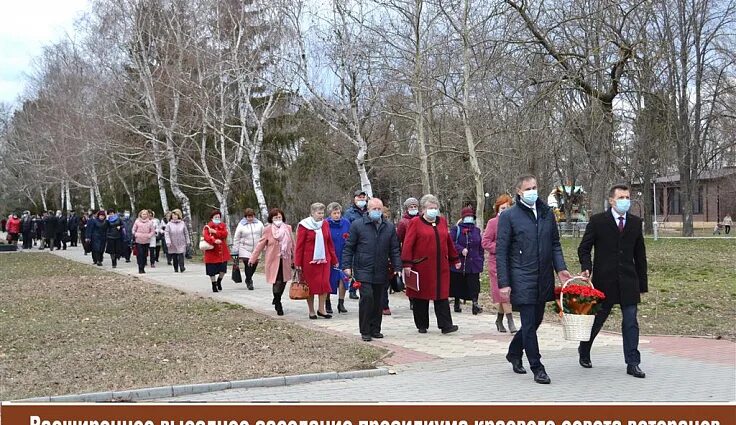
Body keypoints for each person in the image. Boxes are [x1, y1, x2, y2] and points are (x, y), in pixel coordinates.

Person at [496, 175, 571, 384]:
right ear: (519, 192)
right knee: (529, 322)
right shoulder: (509, 216)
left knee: (535, 321)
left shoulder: (547, 213)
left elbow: (555, 244)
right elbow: (501, 252)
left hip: (543, 276)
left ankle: (513, 352)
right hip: (521, 276)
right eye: (528, 188)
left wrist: (561, 269)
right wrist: (504, 283)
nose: (532, 191)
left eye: (535, 187)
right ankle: (537, 367)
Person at [577, 184, 648, 379]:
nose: (626, 201)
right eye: (621, 197)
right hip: (604, 281)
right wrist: (586, 267)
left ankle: (633, 362)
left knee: (630, 322)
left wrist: (642, 283)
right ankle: (584, 348)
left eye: (627, 197)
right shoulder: (598, 221)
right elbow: (584, 248)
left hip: (628, 281)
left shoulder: (635, 223)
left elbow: (640, 255)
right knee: (598, 319)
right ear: (611, 201)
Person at [342, 198, 402, 341]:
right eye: (374, 209)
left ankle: (376, 328)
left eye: (379, 209)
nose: (377, 212)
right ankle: (365, 330)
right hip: (363, 269)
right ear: (368, 210)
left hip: (381, 269)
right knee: (367, 298)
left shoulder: (388, 227)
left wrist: (397, 267)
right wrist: (346, 266)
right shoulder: (358, 225)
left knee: (379, 300)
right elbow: (349, 247)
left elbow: (394, 249)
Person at [401, 194, 462, 335]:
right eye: (430, 208)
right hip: (422, 266)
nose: (433, 210)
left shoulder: (442, 222)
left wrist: (455, 259)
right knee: (421, 297)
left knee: (441, 295)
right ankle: (422, 324)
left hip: (441, 266)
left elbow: (448, 242)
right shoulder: (415, 223)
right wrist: (407, 263)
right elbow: (408, 244)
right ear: (423, 209)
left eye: (435, 208)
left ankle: (446, 325)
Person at [294, 202, 339, 319]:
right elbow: (299, 246)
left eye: (322, 213)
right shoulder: (304, 225)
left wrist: (334, 259)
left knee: (324, 284)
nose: (321, 215)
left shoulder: (325, 224)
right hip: (309, 261)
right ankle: (311, 311)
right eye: (319, 213)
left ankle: (321, 309)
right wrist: (297, 263)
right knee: (310, 286)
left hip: (324, 260)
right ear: (312, 213)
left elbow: (329, 243)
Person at [482, 194, 517, 333]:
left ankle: (499, 319)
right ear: (498, 208)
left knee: (507, 293)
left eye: (508, 207)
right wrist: (500, 248)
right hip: (496, 263)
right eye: (503, 207)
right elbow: (485, 242)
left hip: (511, 263)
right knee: (503, 294)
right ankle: (510, 321)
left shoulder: (513, 222)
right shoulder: (492, 223)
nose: (505, 210)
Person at [249, 208, 294, 316]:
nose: (278, 219)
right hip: (273, 260)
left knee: (284, 281)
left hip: (285, 259)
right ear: (271, 219)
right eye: (275, 217)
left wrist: (295, 260)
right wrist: (253, 258)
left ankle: (276, 297)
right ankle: (278, 303)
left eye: (279, 217)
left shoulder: (288, 228)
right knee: (277, 281)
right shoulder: (268, 229)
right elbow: (260, 244)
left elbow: (293, 245)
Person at [449, 206, 485, 315]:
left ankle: (475, 304)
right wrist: (460, 250)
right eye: (467, 216)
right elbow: (450, 243)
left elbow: (480, 246)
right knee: (458, 283)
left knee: (474, 284)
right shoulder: (456, 229)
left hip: (474, 262)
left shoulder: (476, 230)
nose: (469, 218)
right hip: (460, 262)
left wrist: (481, 259)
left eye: (471, 216)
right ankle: (456, 301)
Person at [326, 202, 351, 314]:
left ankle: (341, 302)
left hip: (343, 254)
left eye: (338, 213)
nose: (337, 215)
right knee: (328, 279)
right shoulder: (325, 223)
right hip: (330, 255)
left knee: (344, 278)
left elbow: (350, 237)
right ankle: (327, 302)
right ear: (330, 213)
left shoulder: (346, 223)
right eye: (334, 213)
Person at [344, 189, 369, 300]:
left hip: (367, 242)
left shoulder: (369, 210)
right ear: (354, 199)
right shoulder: (349, 213)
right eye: (359, 197)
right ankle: (353, 289)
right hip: (354, 242)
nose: (361, 199)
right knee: (355, 265)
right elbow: (346, 228)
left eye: (363, 197)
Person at [232, 208, 264, 290]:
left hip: (257, 248)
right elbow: (236, 238)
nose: (250, 218)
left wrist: (264, 246)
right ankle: (249, 281)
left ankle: (248, 277)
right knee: (248, 264)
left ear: (254, 216)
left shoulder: (259, 224)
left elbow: (264, 235)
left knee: (254, 265)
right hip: (244, 248)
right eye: (248, 217)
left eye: (251, 216)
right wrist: (235, 250)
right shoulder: (241, 225)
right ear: (245, 217)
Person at [203, 210, 230, 292]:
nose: (217, 218)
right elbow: (206, 236)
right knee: (212, 270)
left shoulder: (223, 225)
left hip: (222, 250)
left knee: (223, 269)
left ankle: (219, 281)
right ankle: (213, 284)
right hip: (212, 251)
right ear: (212, 218)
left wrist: (215, 232)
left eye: (218, 217)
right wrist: (214, 240)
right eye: (216, 217)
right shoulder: (207, 227)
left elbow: (225, 234)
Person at [164, 209, 190, 273]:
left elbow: (186, 233)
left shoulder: (182, 223)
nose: (175, 216)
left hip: (181, 241)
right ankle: (175, 267)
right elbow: (166, 233)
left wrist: (188, 240)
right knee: (175, 256)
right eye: (173, 215)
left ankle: (182, 267)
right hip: (172, 242)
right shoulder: (169, 224)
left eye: (176, 215)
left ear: (179, 216)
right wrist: (168, 241)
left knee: (181, 254)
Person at [132, 209, 156, 274]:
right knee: (140, 254)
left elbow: (152, 231)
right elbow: (133, 230)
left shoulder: (150, 222)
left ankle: (143, 267)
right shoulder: (137, 221)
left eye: (146, 214)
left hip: (146, 240)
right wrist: (136, 234)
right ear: (141, 215)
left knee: (145, 255)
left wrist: (149, 235)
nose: (144, 215)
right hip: (139, 240)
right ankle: (140, 268)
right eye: (143, 214)